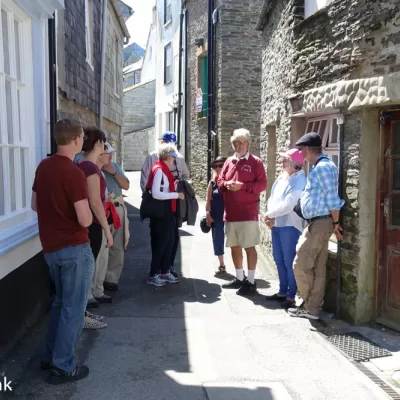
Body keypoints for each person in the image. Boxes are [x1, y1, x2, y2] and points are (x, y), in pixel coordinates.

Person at [31, 118, 93, 384]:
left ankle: (50, 357)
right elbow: (84, 219)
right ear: (77, 139)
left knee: (60, 305)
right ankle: (63, 366)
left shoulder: (43, 167)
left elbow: (35, 205)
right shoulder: (73, 172)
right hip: (74, 248)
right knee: (73, 309)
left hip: (50, 249)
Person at [289, 132, 344, 320]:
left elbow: (333, 199)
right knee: (318, 268)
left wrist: (336, 223)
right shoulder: (322, 166)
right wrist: (334, 223)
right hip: (320, 222)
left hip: (320, 223)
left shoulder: (322, 168)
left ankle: (307, 303)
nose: (300, 154)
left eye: (301, 150)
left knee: (300, 265)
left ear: (308, 149)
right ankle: (312, 309)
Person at [218, 129, 267, 296]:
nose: (239, 146)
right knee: (234, 246)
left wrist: (242, 186)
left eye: (243, 142)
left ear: (248, 143)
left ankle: (251, 282)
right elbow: (220, 180)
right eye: (237, 143)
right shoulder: (229, 162)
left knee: (249, 247)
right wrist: (227, 184)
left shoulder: (256, 162)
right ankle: (239, 278)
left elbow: (262, 185)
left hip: (248, 213)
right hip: (230, 213)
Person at [77, 127, 113, 329]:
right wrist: (107, 231)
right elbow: (95, 202)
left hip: (90, 225)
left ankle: (83, 313)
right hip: (93, 226)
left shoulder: (83, 165)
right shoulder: (90, 168)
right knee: (86, 274)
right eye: (103, 142)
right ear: (98, 143)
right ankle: (81, 316)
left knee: (86, 273)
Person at [140, 131, 190, 277]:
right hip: (162, 208)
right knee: (163, 240)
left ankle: (165, 268)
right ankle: (158, 271)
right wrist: (175, 194)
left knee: (169, 239)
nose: (175, 161)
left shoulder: (164, 163)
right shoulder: (159, 167)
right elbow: (153, 189)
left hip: (168, 207)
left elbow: (146, 181)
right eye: (173, 158)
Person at [264, 149, 306, 310]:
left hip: (290, 225)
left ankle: (291, 295)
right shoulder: (282, 178)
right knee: (279, 259)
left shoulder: (300, 180)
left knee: (289, 261)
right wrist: (270, 216)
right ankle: (282, 291)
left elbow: (289, 204)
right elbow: (272, 197)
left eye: (286, 160)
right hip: (277, 223)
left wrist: (269, 214)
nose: (282, 162)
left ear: (295, 164)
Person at [100, 144, 130, 292]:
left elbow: (126, 185)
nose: (110, 156)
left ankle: (111, 279)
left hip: (117, 209)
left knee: (117, 246)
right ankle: (98, 282)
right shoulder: (92, 167)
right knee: (102, 247)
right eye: (108, 153)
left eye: (111, 153)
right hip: (102, 210)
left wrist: (114, 173)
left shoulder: (114, 166)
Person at [205, 156, 227, 274]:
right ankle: (222, 265)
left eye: (221, 165)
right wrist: (208, 214)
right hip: (216, 216)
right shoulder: (212, 182)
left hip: (230, 216)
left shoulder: (230, 181)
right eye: (215, 166)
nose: (218, 168)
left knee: (234, 242)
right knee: (218, 240)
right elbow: (208, 200)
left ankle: (239, 268)